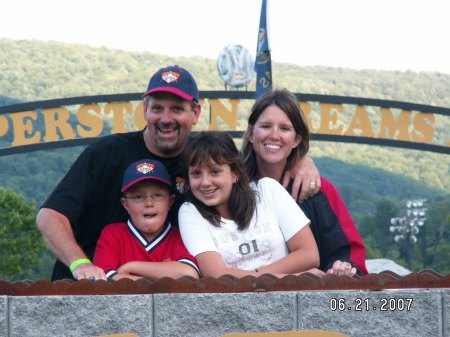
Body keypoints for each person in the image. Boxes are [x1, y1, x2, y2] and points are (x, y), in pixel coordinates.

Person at [36, 65, 320, 281]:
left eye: (177, 109)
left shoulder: (202, 161)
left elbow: (244, 174)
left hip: (168, 292)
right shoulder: (107, 153)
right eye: (157, 108)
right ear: (145, 110)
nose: (166, 118)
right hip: (90, 288)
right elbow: (50, 216)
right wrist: (80, 264)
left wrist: (299, 158)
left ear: (195, 113)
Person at [241, 89, 368, 276]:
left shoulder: (317, 190)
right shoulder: (231, 188)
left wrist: (341, 269)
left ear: (296, 139)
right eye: (266, 126)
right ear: (251, 134)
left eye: (284, 129)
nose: (274, 135)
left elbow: (349, 255)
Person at [178, 131, 320, 278]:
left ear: (235, 174)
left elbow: (309, 255)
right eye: (196, 174)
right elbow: (217, 275)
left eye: (214, 172)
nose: (205, 183)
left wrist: (255, 276)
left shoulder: (268, 191)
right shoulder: (190, 212)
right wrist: (289, 278)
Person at [93, 159, 200, 280]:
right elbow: (101, 278)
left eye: (158, 195)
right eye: (138, 196)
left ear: (170, 201)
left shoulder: (180, 235)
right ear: (126, 204)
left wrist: (130, 267)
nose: (149, 203)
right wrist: (162, 279)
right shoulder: (113, 234)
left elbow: (188, 274)